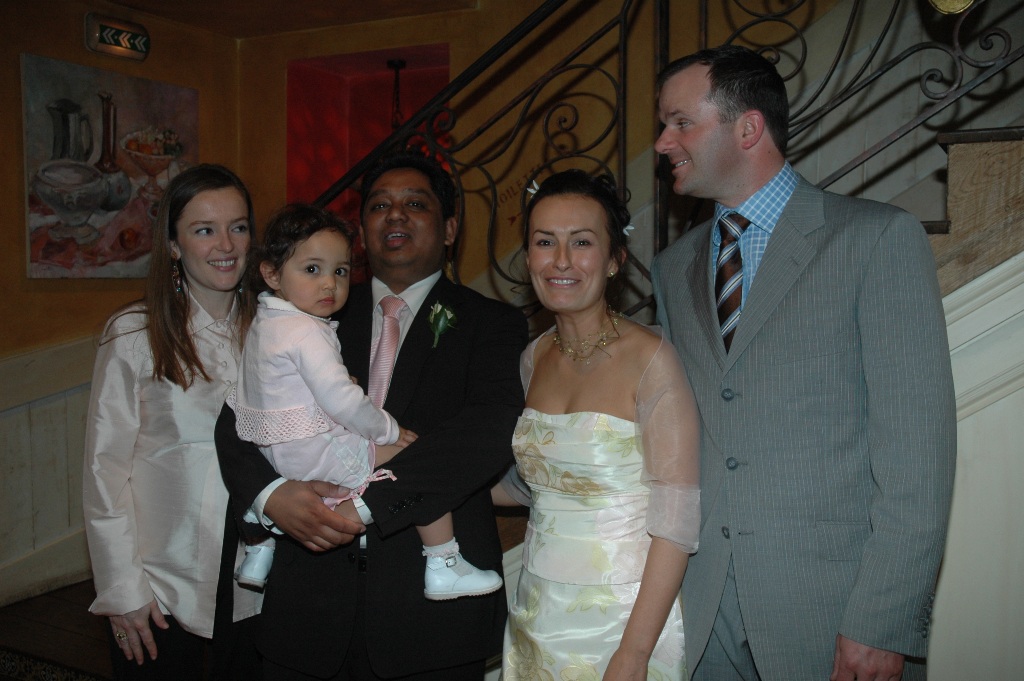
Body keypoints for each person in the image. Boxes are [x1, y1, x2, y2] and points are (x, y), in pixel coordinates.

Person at [650, 45, 957, 681]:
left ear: (748, 128)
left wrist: (882, 619)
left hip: (833, 613)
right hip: (701, 615)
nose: (662, 142)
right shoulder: (673, 268)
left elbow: (918, 455)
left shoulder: (876, 239)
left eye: (680, 122)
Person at [215, 151, 528, 680]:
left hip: (426, 623)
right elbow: (238, 418)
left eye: (416, 204)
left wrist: (365, 506)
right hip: (307, 602)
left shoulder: (493, 324)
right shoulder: (309, 310)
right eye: (380, 205)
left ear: (451, 229)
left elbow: (486, 434)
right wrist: (271, 496)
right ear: (361, 233)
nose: (395, 214)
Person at [229, 202, 502, 600]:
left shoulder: (264, 323)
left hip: (276, 452)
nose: (329, 284)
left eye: (340, 271)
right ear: (271, 273)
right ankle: (443, 561)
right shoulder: (307, 331)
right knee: (411, 460)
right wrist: (388, 429)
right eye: (312, 269)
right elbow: (344, 401)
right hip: (313, 454)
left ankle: (258, 549)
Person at [493, 169, 701, 680]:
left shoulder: (651, 360)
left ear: (614, 260)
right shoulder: (532, 358)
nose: (561, 260)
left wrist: (633, 653)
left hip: (624, 619)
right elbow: (540, 483)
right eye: (545, 242)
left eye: (582, 242)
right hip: (537, 612)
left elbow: (676, 524)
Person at [82, 164, 264, 679]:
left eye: (238, 226)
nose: (225, 245)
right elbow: (104, 471)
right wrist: (122, 590)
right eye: (204, 230)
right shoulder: (134, 334)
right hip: (160, 583)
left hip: (258, 576)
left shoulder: (276, 331)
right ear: (173, 245)